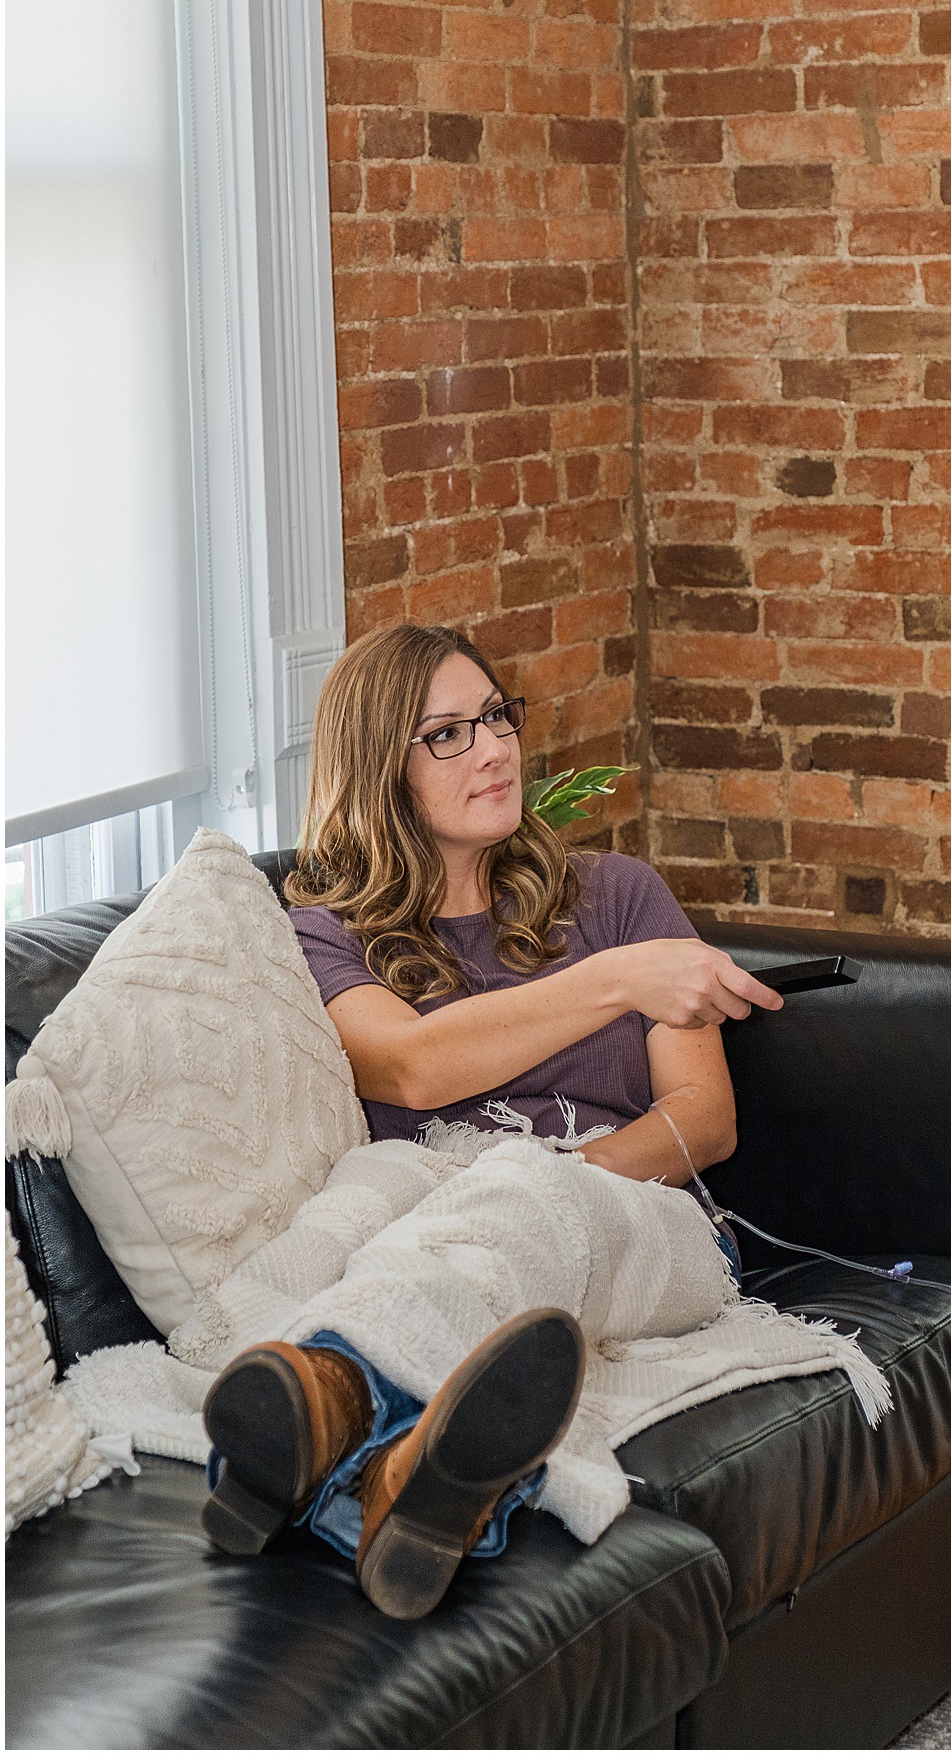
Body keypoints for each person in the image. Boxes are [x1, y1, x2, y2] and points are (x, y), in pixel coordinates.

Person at [201, 621, 781, 1617]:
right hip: (441, 1223)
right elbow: (414, 1068)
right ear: (382, 767)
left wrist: (560, 1183)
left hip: (646, 1223)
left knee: (511, 1193)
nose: (495, 748)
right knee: (378, 1198)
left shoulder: (616, 896)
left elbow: (704, 1115)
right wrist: (611, 986)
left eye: (496, 717)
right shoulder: (324, 932)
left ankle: (325, 1397)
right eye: (448, 735)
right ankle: (389, 1489)